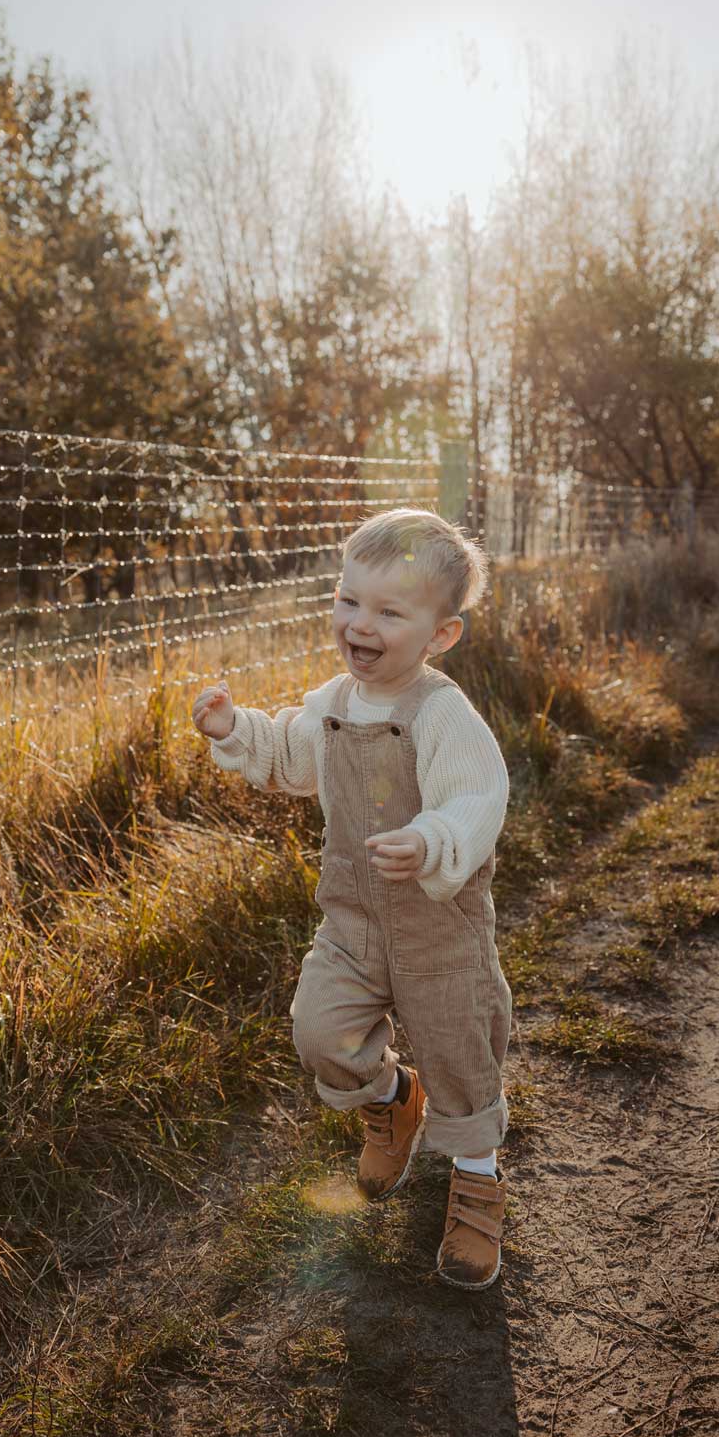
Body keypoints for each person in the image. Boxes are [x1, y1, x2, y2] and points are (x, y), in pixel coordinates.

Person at [191, 508, 512, 1290]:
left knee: (459, 1052)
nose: (358, 624)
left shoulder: (443, 715)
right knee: (320, 1030)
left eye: (388, 612)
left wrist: (433, 840)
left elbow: (479, 796)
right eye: (348, 601)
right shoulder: (334, 700)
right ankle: (393, 1099)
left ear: (441, 636)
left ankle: (476, 1183)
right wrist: (238, 731)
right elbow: (296, 756)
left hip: (438, 924)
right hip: (355, 918)